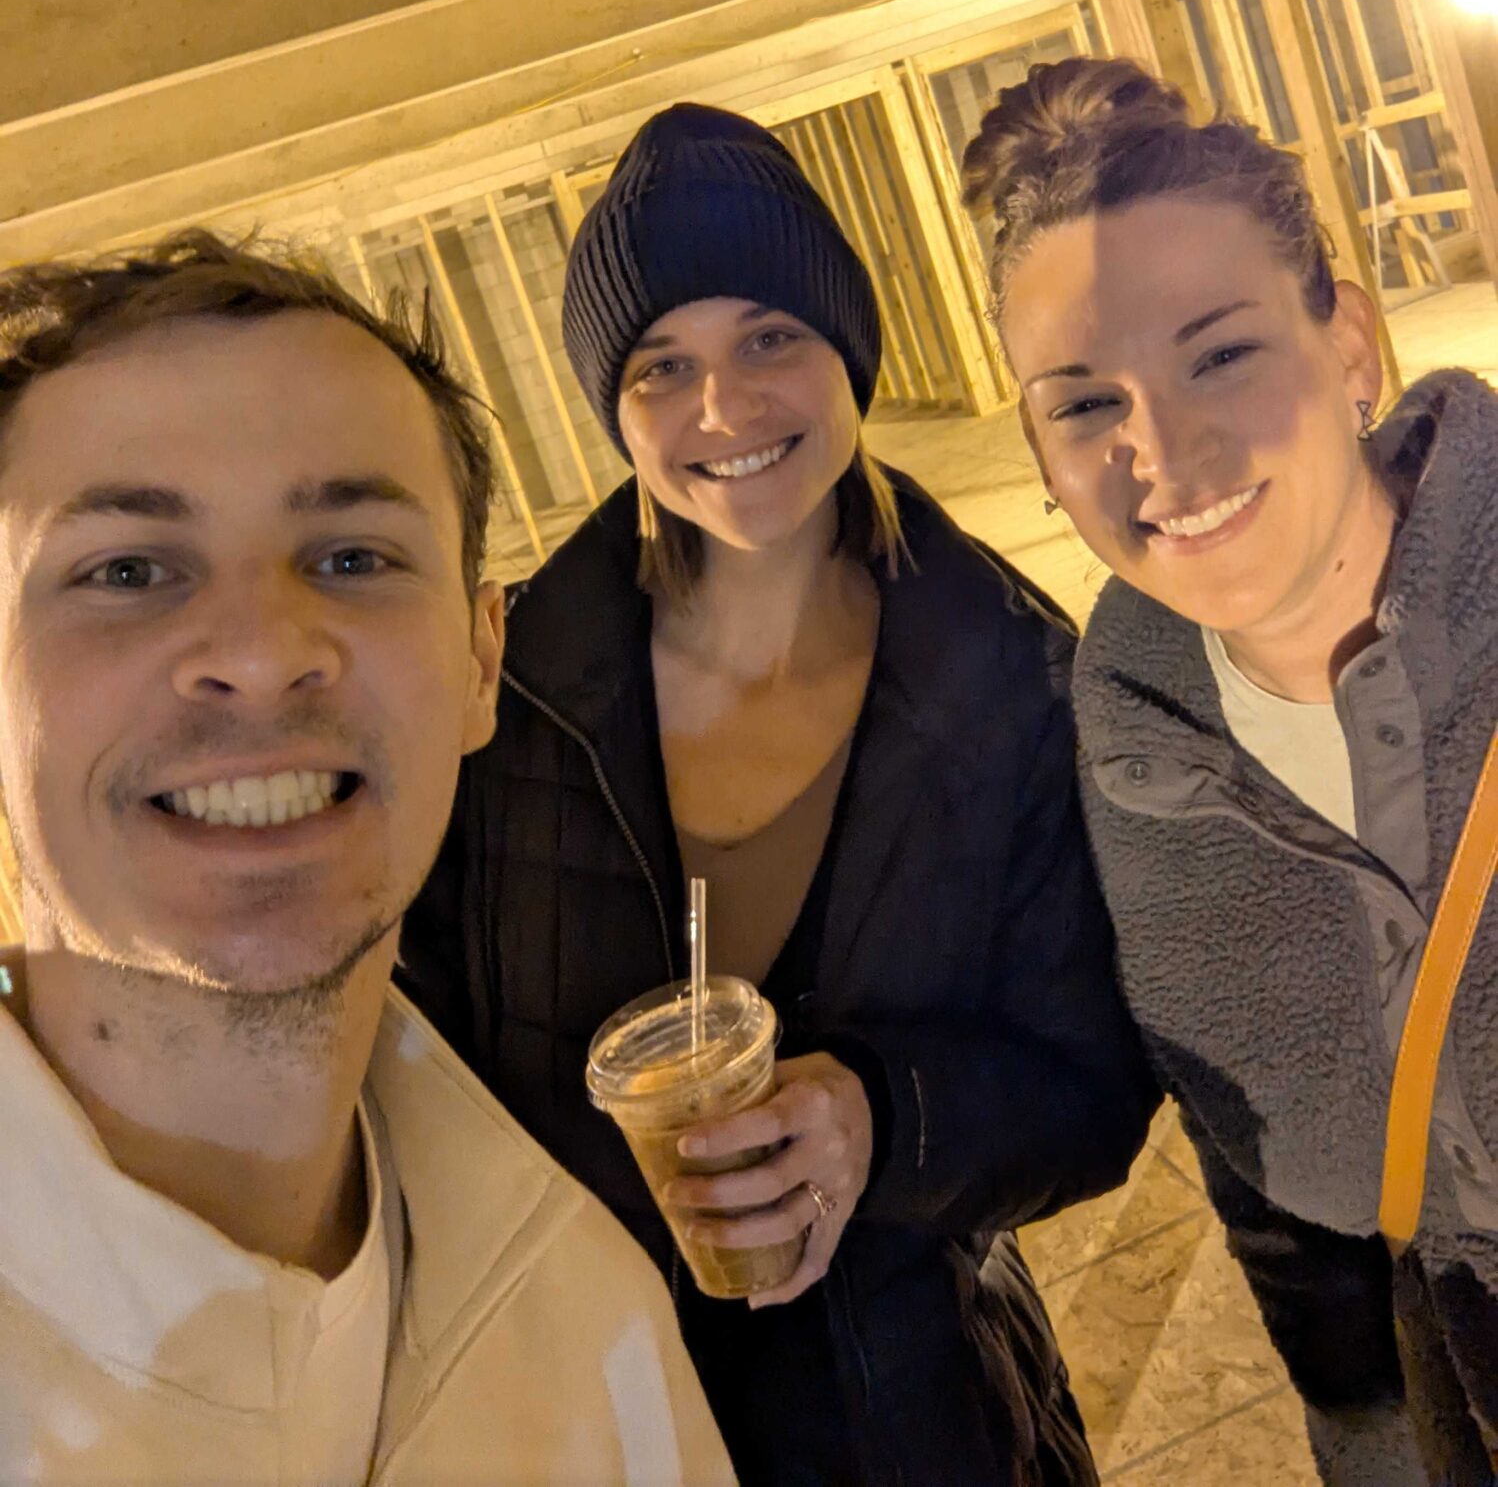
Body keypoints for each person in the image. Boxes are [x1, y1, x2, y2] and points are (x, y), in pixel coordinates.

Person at [399, 102, 1158, 1487]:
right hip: (587, 1420)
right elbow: (422, 1051)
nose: (723, 409)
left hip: (911, 1420)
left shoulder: (1013, 680)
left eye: (770, 339)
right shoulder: (501, 697)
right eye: (661, 365)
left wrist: (881, 1116)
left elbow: (1095, 1082)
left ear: (845, 349)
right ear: (610, 405)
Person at [0, 232, 733, 1487]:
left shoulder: (594, 1316)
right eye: (125, 569)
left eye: (352, 557)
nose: (262, 645)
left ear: (481, 662)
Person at [961, 56, 1497, 1485]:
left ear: (1351, 348)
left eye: (1218, 353)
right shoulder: (1129, 737)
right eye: (1083, 405)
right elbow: (1241, 1145)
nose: (1163, 451)